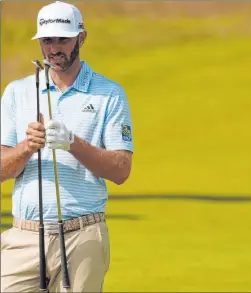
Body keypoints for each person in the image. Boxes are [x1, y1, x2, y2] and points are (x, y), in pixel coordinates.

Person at [0, 1, 134, 292]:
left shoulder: (109, 94)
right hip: (24, 236)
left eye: (63, 38)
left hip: (82, 235)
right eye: (47, 40)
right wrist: (26, 148)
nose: (54, 48)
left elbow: (121, 170)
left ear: (81, 37)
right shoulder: (17, 92)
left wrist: (73, 144)